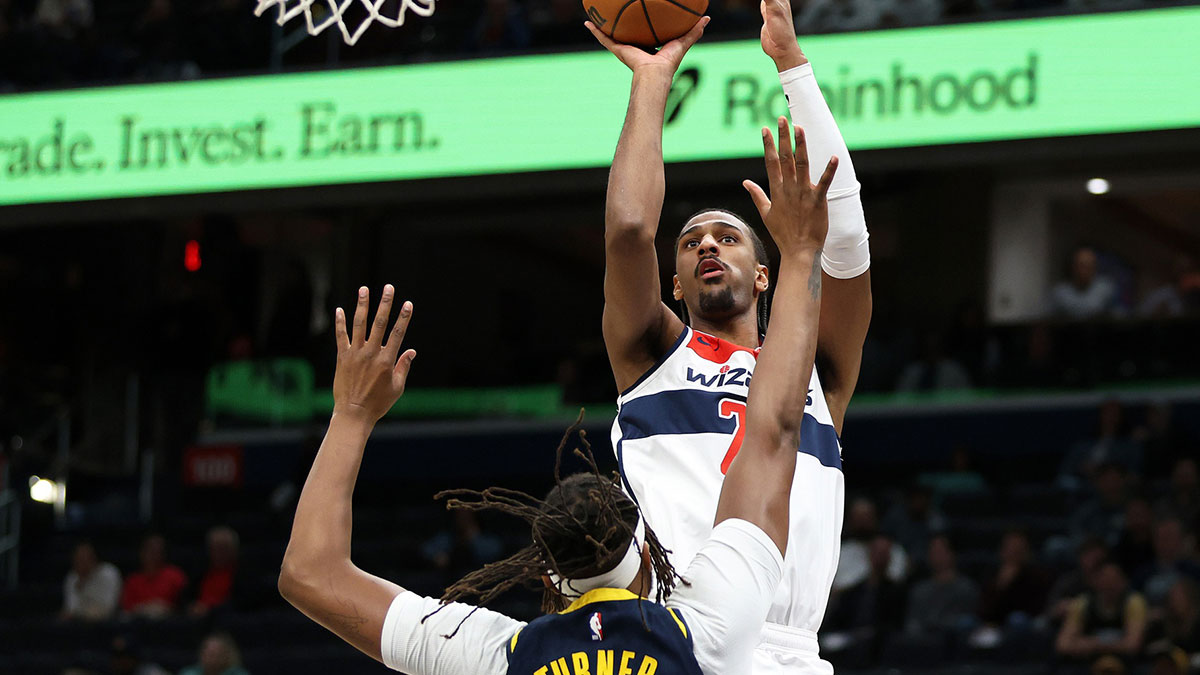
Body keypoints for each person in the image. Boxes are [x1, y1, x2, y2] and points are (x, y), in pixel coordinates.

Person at [276, 113, 838, 675]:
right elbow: (770, 433)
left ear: (549, 577)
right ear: (649, 558)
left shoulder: (506, 658)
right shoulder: (705, 634)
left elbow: (310, 574)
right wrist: (805, 253)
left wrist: (351, 415)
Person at [586, 0, 872, 670]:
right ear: (676, 284)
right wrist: (651, 82)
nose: (707, 243)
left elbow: (848, 248)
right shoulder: (652, 353)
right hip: (680, 632)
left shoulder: (817, 371)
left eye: (727, 236)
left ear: (767, 273)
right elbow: (629, 232)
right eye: (689, 242)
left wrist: (794, 69)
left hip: (794, 649)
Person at [1056, 562, 1148, 666]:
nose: (1109, 584)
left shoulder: (1133, 602)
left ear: (1123, 582)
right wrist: (1114, 645)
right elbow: (1062, 644)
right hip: (1088, 664)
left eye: (1114, 580)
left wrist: (1093, 644)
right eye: (1105, 580)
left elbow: (1133, 645)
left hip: (1125, 664)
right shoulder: (1082, 603)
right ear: (1095, 582)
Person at [905, 534, 979, 636]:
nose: (936, 556)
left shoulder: (966, 588)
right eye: (933, 551)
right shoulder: (919, 591)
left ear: (951, 554)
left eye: (940, 551)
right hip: (924, 644)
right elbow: (912, 624)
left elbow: (969, 623)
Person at [121, 534, 188, 618]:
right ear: (141, 552)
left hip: (169, 624)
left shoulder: (175, 576)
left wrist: (166, 608)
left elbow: (184, 608)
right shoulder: (133, 580)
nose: (153, 555)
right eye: (150, 550)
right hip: (138, 625)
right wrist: (145, 608)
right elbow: (126, 611)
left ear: (164, 553)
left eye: (158, 551)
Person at [1049, 247, 1122, 320]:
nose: (1085, 270)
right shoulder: (1060, 293)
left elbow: (1120, 316)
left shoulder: (1106, 288)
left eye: (1090, 266)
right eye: (1082, 265)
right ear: (1073, 267)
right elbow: (1045, 318)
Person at [61, 541, 122, 622]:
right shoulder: (72, 577)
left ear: (94, 557)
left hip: (106, 623)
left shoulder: (108, 573)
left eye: (85, 557)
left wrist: (81, 613)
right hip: (78, 624)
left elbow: (108, 607)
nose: (82, 562)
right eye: (78, 558)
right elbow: (70, 608)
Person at [190, 526, 240, 617]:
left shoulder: (242, 575)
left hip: (224, 620)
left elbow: (240, 603)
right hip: (197, 619)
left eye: (223, 548)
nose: (219, 553)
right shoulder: (200, 572)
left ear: (234, 550)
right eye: (214, 548)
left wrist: (210, 610)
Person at [179, 632, 251, 675]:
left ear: (227, 656)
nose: (212, 658)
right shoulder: (189, 673)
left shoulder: (239, 674)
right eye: (209, 654)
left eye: (217, 654)